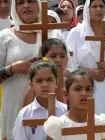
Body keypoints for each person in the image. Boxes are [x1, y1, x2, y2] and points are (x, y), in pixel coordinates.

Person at [0, 0, 66, 139]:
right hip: (14, 106)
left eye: (30, 1)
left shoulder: (54, 35)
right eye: (20, 2)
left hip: (52, 109)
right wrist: (12, 69)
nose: (26, 5)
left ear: (40, 4)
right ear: (14, 7)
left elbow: (68, 72)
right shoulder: (5, 37)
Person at [66, 0, 105, 139]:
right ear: (87, 10)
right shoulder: (76, 33)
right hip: (84, 88)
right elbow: (70, 63)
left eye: (101, 6)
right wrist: (90, 72)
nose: (98, 9)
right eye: (94, 6)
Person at [44, 70, 105, 140]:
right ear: (66, 94)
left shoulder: (101, 124)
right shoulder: (57, 126)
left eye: (88, 89)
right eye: (78, 89)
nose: (84, 93)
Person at [13, 61, 67, 140]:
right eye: (39, 81)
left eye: (49, 80)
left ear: (56, 83)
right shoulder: (25, 114)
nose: (44, 84)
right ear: (31, 85)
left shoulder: (66, 111)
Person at [22, 38, 68, 107]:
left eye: (62, 56)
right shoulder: (35, 88)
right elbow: (27, 114)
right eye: (53, 56)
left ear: (67, 59)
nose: (58, 60)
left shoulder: (71, 84)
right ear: (43, 59)